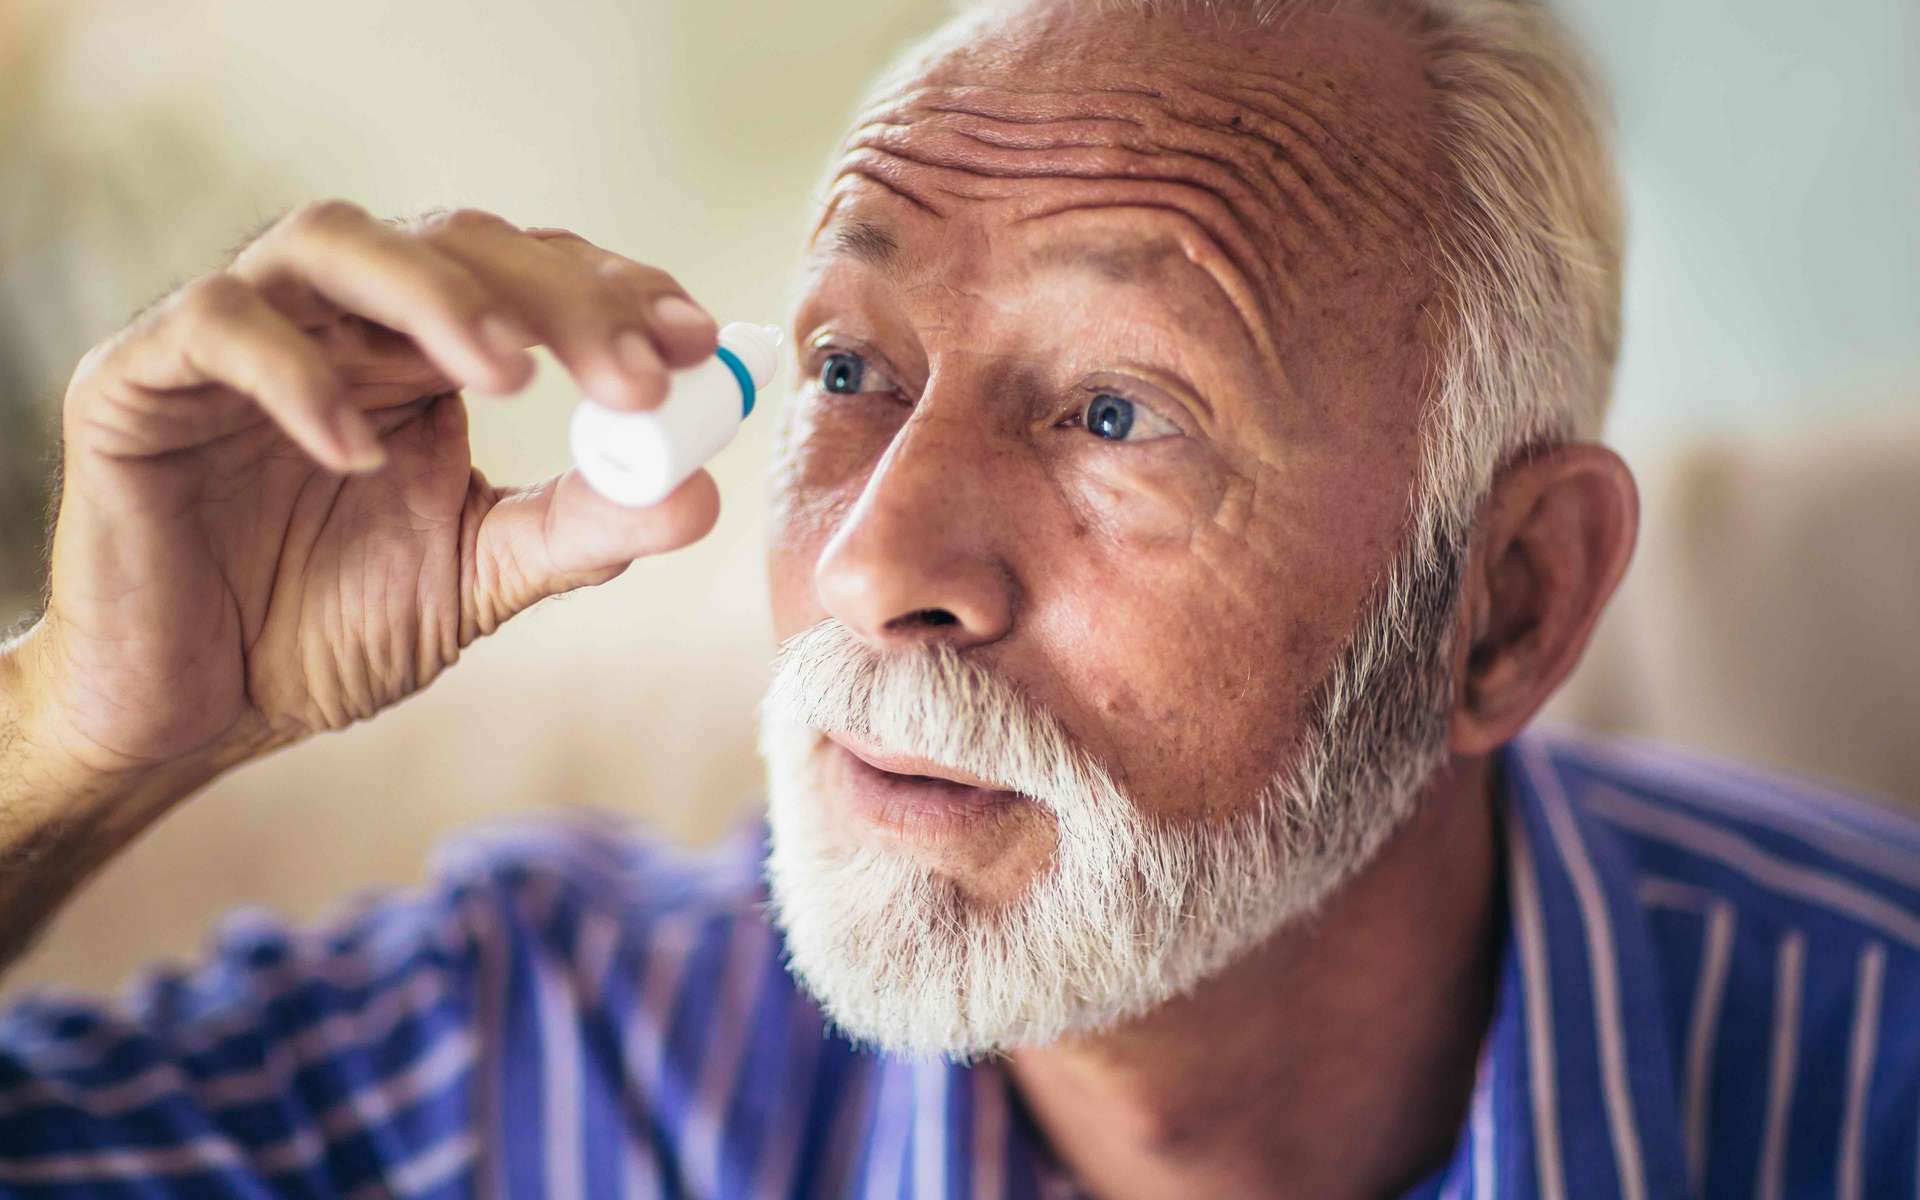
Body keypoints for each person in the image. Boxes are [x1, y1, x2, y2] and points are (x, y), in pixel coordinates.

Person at [0, 0, 1914, 1195]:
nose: (871, 561)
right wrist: (82, 726)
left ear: (1507, 605)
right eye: (849, 370)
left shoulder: (1871, 1077)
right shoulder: (540, 1057)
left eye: (1111, 411)